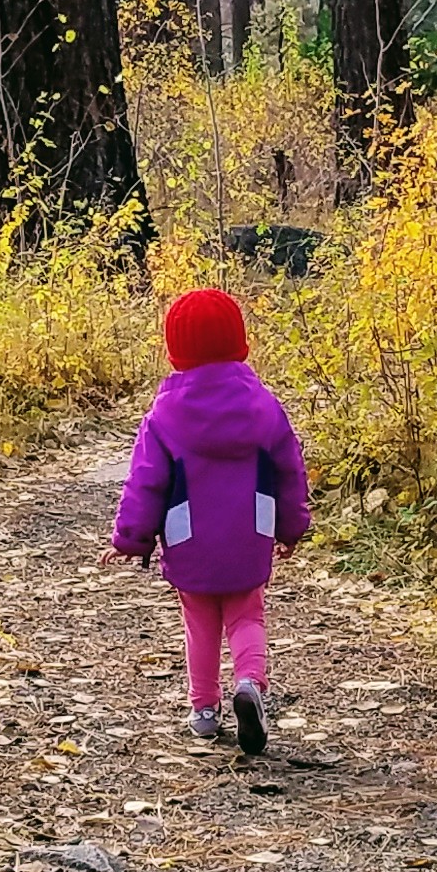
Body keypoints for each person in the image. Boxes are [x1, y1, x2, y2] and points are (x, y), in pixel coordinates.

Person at [109, 286, 314, 752]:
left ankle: (204, 708)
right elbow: (289, 467)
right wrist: (292, 526)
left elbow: (147, 480)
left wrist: (131, 539)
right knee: (246, 612)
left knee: (199, 621)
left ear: (176, 350)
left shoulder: (165, 413)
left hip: (188, 536)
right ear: (239, 341)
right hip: (250, 529)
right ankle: (249, 682)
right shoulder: (262, 404)